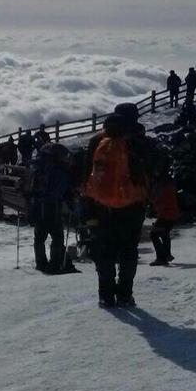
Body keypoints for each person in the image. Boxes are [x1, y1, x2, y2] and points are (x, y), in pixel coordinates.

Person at [83, 103, 156, 308]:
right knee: (128, 249)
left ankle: (105, 295)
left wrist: (88, 202)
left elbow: (85, 172)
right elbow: (154, 168)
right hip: (133, 204)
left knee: (104, 249)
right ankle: (125, 295)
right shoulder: (139, 141)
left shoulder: (97, 141)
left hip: (100, 204)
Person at [28, 143, 75, 273]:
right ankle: (55, 264)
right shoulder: (59, 170)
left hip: (37, 206)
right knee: (57, 237)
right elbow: (62, 189)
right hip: (52, 206)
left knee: (39, 237)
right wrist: (70, 202)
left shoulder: (36, 167)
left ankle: (41, 263)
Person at [149, 176, 180, 266]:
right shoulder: (168, 186)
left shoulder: (161, 188)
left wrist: (153, 204)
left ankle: (161, 258)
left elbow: (160, 201)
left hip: (166, 215)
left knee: (154, 234)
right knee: (164, 233)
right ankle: (167, 255)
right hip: (172, 214)